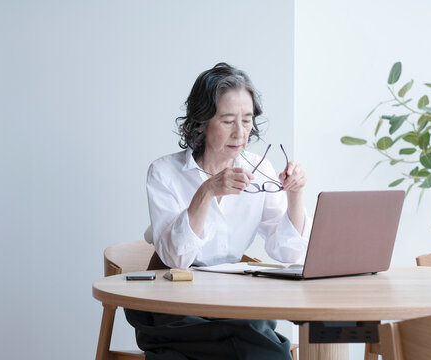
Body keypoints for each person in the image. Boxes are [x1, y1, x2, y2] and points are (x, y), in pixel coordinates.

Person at [125, 62, 311, 360]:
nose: (241, 132)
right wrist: (207, 190)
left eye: (247, 120)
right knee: (263, 348)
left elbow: (288, 253)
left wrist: (296, 195)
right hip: (172, 308)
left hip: (231, 304)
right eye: (227, 121)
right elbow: (177, 258)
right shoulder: (164, 172)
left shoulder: (258, 169)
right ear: (200, 122)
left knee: (250, 338)